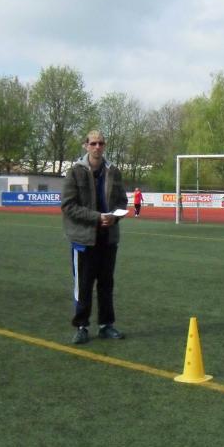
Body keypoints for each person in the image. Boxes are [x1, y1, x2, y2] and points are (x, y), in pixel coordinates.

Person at [61, 130, 128, 345]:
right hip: (84, 238)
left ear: (104, 145)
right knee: (84, 285)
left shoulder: (113, 171)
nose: (97, 147)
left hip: (108, 238)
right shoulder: (75, 172)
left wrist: (114, 217)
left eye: (100, 143)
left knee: (106, 284)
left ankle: (106, 325)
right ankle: (81, 326)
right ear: (86, 145)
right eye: (93, 143)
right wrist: (97, 217)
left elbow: (122, 201)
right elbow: (68, 206)